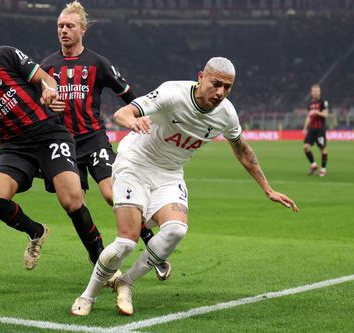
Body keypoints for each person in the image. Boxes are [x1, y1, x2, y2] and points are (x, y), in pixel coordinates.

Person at [70, 57, 299, 316]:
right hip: (135, 164)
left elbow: (243, 150)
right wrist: (132, 121)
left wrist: (267, 188)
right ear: (201, 76)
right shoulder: (172, 93)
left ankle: (126, 282)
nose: (220, 92)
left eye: (227, 87)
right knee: (126, 243)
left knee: (176, 230)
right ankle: (88, 296)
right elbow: (123, 112)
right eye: (216, 84)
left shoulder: (226, 114)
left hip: (169, 173)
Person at [0, 28, 106, 271]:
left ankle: (98, 254)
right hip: (14, 147)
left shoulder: (3, 55)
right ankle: (36, 232)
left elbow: (45, 79)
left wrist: (50, 90)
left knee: (72, 201)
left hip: (48, 132)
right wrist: (9, 159)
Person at [41, 1, 171, 280]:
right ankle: (96, 251)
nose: (64, 30)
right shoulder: (47, 67)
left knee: (113, 193)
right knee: (73, 204)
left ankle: (152, 245)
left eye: (69, 26)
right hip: (63, 144)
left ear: (82, 30)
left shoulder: (97, 63)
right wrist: (46, 106)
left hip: (94, 138)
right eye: (60, 26)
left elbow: (127, 92)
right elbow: (35, 103)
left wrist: (142, 115)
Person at [302, 84, 329, 177]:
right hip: (311, 129)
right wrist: (305, 128)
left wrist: (317, 112)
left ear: (320, 92)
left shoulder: (323, 102)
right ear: (311, 92)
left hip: (320, 129)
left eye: (317, 91)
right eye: (314, 91)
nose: (315, 92)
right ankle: (313, 165)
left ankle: (323, 169)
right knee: (306, 147)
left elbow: (325, 114)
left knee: (322, 148)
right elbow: (309, 116)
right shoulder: (310, 103)